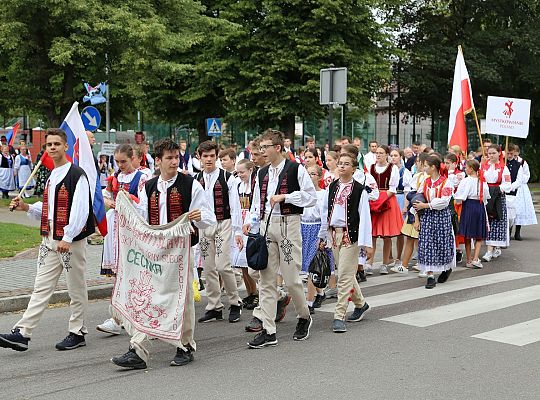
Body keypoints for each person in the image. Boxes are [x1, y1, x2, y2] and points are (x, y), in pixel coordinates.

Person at [111, 138, 215, 369]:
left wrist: (199, 217)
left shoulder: (190, 185)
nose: (174, 162)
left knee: (183, 297)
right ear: (157, 161)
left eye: (176, 157)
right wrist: (127, 205)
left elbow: (210, 218)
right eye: (169, 158)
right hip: (155, 251)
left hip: (181, 251)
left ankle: (185, 345)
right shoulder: (150, 186)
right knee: (146, 295)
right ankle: (137, 349)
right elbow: (144, 217)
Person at [0, 128, 94, 352]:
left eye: (56, 144)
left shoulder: (76, 174)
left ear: (65, 146)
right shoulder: (53, 175)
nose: (52, 148)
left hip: (70, 241)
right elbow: (49, 209)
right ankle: (23, 332)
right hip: (49, 239)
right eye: (49, 145)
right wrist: (26, 207)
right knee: (40, 287)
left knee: (76, 288)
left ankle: (77, 331)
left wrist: (68, 237)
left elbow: (81, 209)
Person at [243, 129, 317, 348]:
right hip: (267, 225)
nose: (261, 151)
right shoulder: (262, 173)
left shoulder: (296, 169)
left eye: (265, 147)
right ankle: (268, 330)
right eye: (261, 147)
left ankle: (304, 316)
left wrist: (286, 196)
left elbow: (310, 197)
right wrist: (251, 220)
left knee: (292, 278)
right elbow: (257, 203)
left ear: (277, 148)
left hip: (289, 224)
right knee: (266, 279)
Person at [96, 144, 149, 334]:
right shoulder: (116, 177)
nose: (120, 165)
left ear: (133, 158)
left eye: (124, 161)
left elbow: (144, 205)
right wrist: (109, 201)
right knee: (120, 274)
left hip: (133, 229)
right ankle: (118, 318)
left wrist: (129, 200)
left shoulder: (142, 177)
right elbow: (107, 195)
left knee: (136, 275)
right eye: (117, 162)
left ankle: (135, 316)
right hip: (117, 228)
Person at [319, 152, 372, 332]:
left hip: (351, 235)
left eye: (346, 164)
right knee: (346, 273)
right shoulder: (332, 187)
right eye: (340, 163)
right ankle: (361, 303)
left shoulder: (359, 189)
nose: (341, 166)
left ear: (354, 168)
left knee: (343, 275)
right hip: (334, 234)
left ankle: (339, 314)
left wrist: (367, 243)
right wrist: (323, 235)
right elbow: (325, 212)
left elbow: (364, 216)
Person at [196, 140, 244, 324]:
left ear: (216, 157)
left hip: (223, 222)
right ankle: (214, 306)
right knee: (208, 267)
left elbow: (235, 205)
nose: (209, 159)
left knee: (223, 265)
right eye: (205, 156)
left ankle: (235, 302)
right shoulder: (196, 179)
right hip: (203, 225)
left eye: (212, 156)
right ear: (199, 157)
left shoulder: (227, 177)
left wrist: (237, 230)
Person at [413, 155, 455, 289]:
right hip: (427, 217)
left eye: (426, 166)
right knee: (426, 244)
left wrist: (426, 206)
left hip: (441, 217)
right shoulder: (425, 182)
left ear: (433, 167)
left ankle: (446, 268)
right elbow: (417, 200)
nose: (424, 168)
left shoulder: (446, 182)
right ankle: (430, 275)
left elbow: (444, 201)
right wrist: (416, 218)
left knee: (442, 243)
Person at [367, 145, 403, 274]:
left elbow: (393, 188)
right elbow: (368, 185)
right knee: (372, 235)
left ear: (386, 154)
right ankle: (369, 263)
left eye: (381, 153)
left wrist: (380, 200)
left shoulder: (392, 168)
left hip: (387, 201)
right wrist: (374, 200)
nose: (378, 155)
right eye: (377, 153)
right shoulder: (371, 168)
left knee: (386, 235)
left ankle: (384, 263)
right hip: (374, 200)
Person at [301, 164, 332, 313]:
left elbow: (325, 216)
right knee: (308, 267)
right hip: (303, 228)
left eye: (313, 174)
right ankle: (320, 293)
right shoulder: (302, 193)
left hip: (316, 229)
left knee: (312, 268)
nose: (310, 176)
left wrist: (323, 236)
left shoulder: (323, 194)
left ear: (319, 177)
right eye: (308, 174)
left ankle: (309, 302)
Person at [393, 152, 429, 274]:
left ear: (424, 164)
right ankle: (404, 265)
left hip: (422, 211)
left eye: (418, 161)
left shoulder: (427, 178)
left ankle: (423, 264)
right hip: (413, 210)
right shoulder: (417, 176)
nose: (416, 163)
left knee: (422, 239)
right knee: (410, 237)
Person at [454, 159, 490, 269]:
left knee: (468, 235)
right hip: (479, 206)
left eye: (466, 167)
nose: (465, 169)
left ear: (471, 169)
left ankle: (469, 259)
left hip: (468, 206)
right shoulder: (482, 181)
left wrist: (457, 200)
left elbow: (460, 196)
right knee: (479, 234)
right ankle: (475, 258)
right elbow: (486, 197)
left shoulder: (466, 181)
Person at [234, 159, 259, 310]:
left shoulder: (255, 186)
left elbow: (255, 207)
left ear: (250, 170)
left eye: (242, 171)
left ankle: (255, 292)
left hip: (250, 223)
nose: (240, 174)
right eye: (238, 172)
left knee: (249, 262)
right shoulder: (238, 185)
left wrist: (250, 222)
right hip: (240, 221)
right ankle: (250, 293)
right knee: (241, 264)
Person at [481, 145, 512, 262]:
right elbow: (480, 180)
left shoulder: (504, 168)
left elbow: (508, 184)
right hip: (486, 196)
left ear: (499, 153)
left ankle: (491, 249)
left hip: (498, 197)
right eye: (489, 153)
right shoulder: (483, 166)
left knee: (497, 222)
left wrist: (497, 189)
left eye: (494, 153)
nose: (491, 155)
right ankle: (491, 248)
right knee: (488, 223)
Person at [390, 148, 411, 268]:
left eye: (395, 155)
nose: (393, 158)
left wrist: (405, 206)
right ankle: (389, 257)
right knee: (388, 232)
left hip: (401, 198)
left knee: (399, 231)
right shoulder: (388, 170)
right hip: (390, 199)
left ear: (400, 157)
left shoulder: (405, 171)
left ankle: (398, 257)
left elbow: (407, 191)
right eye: (391, 155)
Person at [513, 145, 537, 239]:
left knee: (520, 209)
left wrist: (520, 179)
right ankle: (509, 231)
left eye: (515, 154)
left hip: (520, 188)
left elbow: (527, 175)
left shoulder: (522, 162)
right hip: (511, 186)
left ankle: (517, 231)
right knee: (511, 209)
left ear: (518, 153)